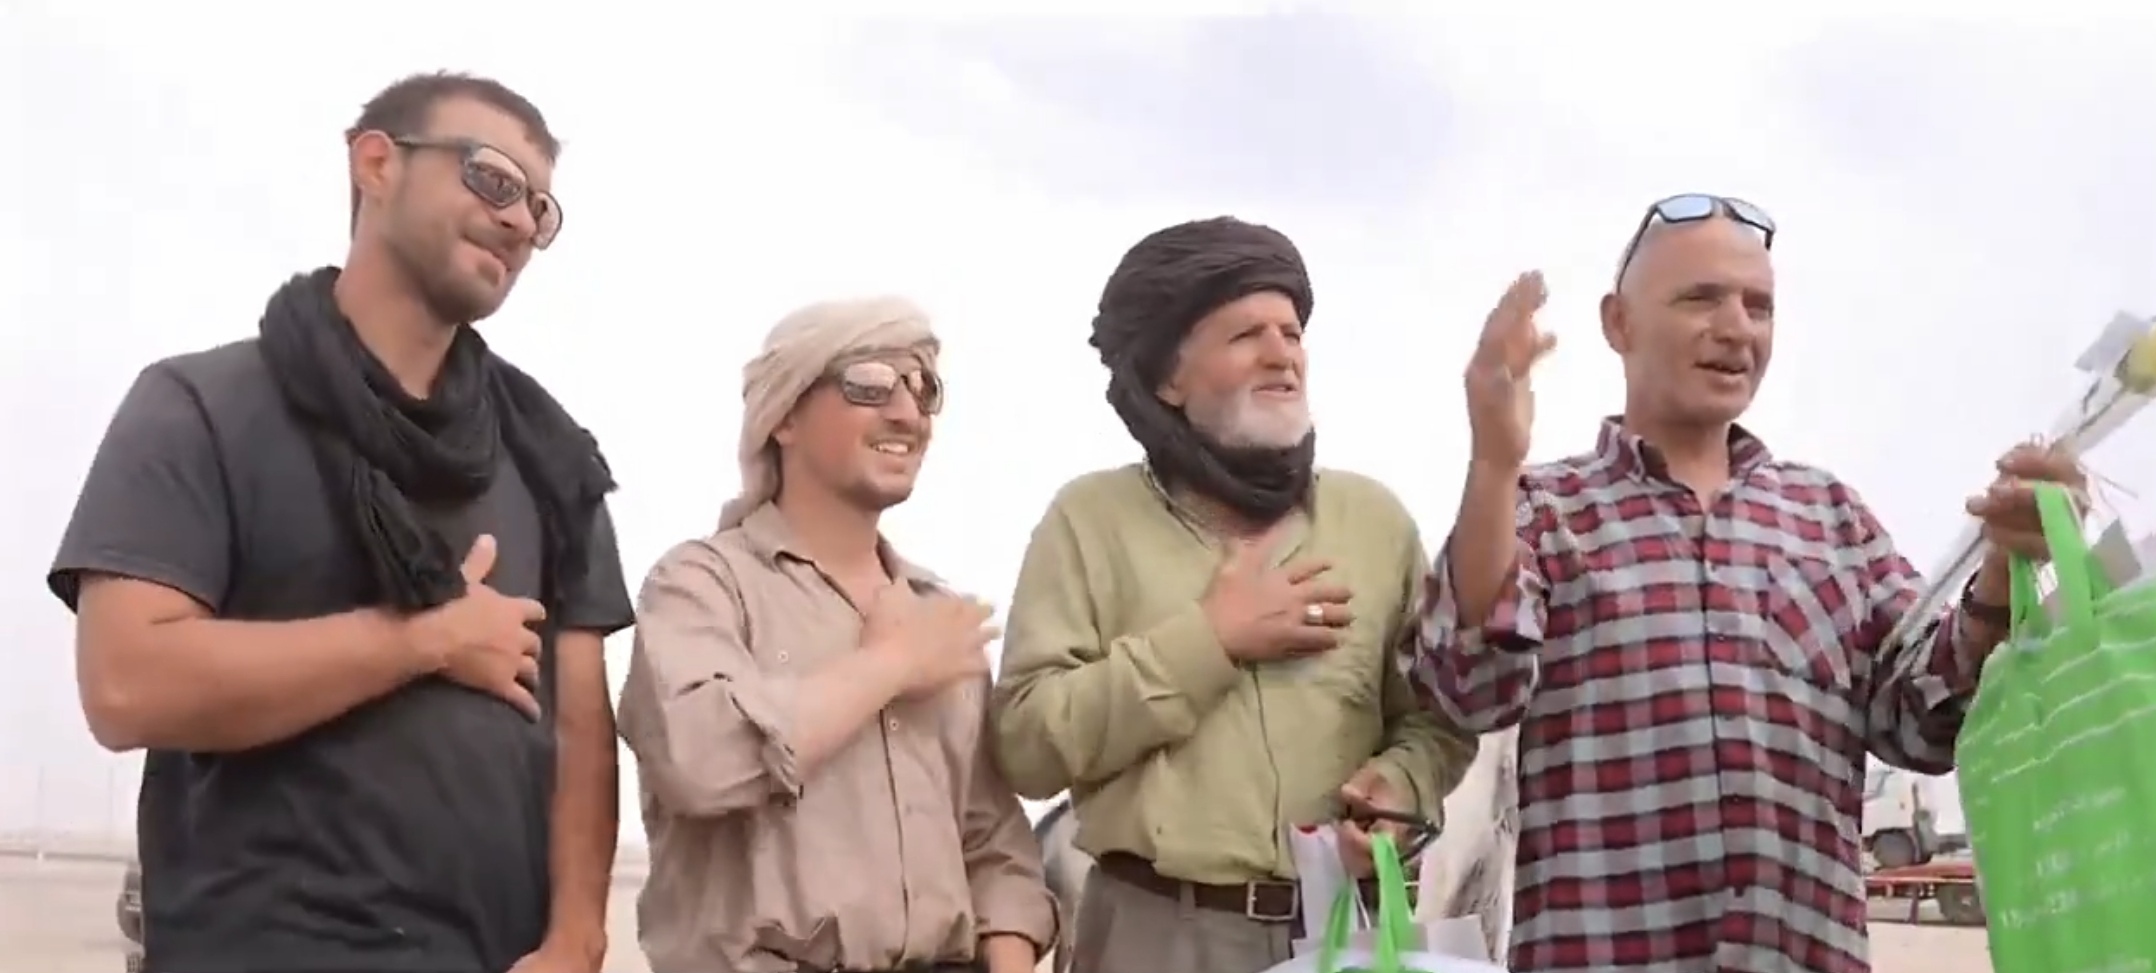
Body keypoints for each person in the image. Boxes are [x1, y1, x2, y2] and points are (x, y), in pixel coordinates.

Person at [49, 72, 631, 973]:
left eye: (541, 208)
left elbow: (583, 727)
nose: (519, 220)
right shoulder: (200, 405)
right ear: (376, 165)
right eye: (492, 178)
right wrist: (424, 640)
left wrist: (575, 939)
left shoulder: (552, 455)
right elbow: (127, 684)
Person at [1415, 194, 2085, 973]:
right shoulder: (1543, 508)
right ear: (1618, 324)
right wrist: (1493, 464)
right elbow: (1469, 687)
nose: (1737, 328)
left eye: (1758, 306)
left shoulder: (1831, 516)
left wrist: (2000, 570)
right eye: (1701, 298)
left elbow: (1922, 722)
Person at [991, 217, 1477, 973]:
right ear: (1168, 380)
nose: (1282, 353)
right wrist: (1209, 641)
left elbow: (1437, 721)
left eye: (1292, 332)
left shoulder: (1373, 522)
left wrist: (1400, 787)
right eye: (1247, 334)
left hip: (1343, 935)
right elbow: (1026, 747)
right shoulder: (1089, 520)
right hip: (1155, 935)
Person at [616, 297, 1058, 973]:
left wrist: (1011, 957)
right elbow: (699, 762)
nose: (908, 413)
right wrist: (891, 664)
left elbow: (993, 839)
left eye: (924, 389)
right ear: (784, 416)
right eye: (870, 383)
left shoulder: (935, 613)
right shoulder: (702, 585)